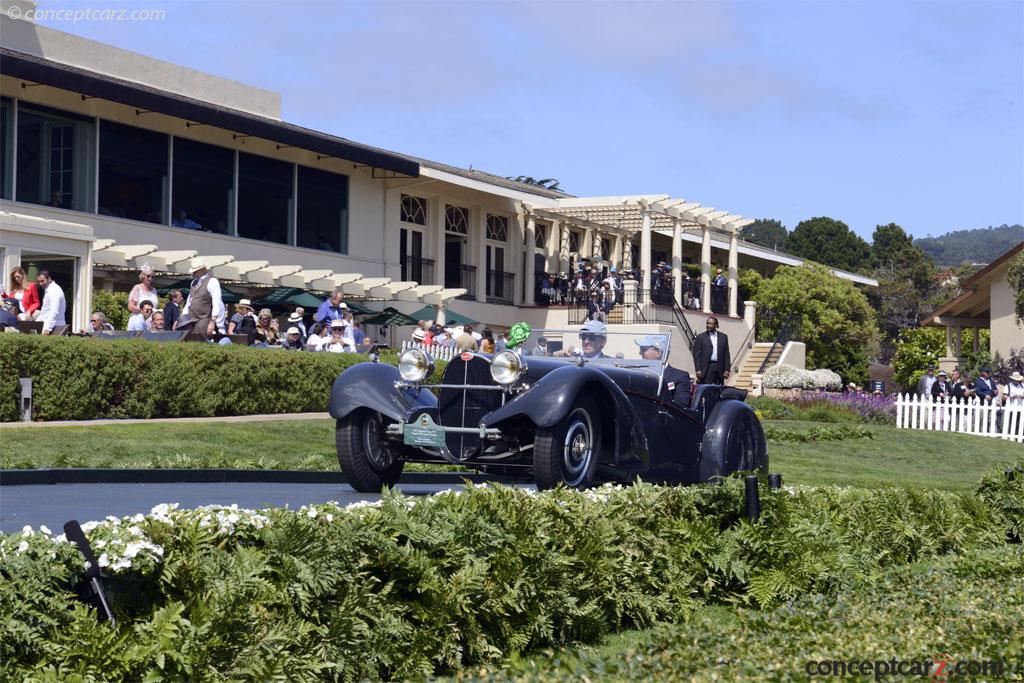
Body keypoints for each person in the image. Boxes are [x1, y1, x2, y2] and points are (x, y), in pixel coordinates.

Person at [635, 334, 692, 409]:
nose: (640, 353)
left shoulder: (679, 377)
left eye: (644, 349)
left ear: (658, 352)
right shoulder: (638, 373)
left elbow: (680, 407)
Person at [180, 259, 225, 342]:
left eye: (196, 271)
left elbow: (216, 303)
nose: (194, 273)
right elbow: (189, 302)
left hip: (204, 319)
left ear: (202, 269)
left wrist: (212, 322)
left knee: (199, 341)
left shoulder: (212, 281)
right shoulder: (193, 282)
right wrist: (182, 318)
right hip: (190, 319)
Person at [692, 316, 731, 385]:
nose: (708, 325)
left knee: (718, 390)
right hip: (707, 367)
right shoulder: (701, 337)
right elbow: (696, 355)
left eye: (710, 324)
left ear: (716, 325)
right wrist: (698, 369)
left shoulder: (723, 337)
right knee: (706, 389)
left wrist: (727, 370)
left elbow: (726, 354)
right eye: (707, 323)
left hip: (719, 367)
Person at [36, 271, 66, 335]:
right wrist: (36, 323)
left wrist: (47, 329)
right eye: (38, 282)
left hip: (55, 327)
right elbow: (45, 311)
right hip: (49, 326)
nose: (40, 284)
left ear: (49, 279)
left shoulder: (54, 290)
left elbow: (54, 311)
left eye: (42, 281)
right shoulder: (49, 290)